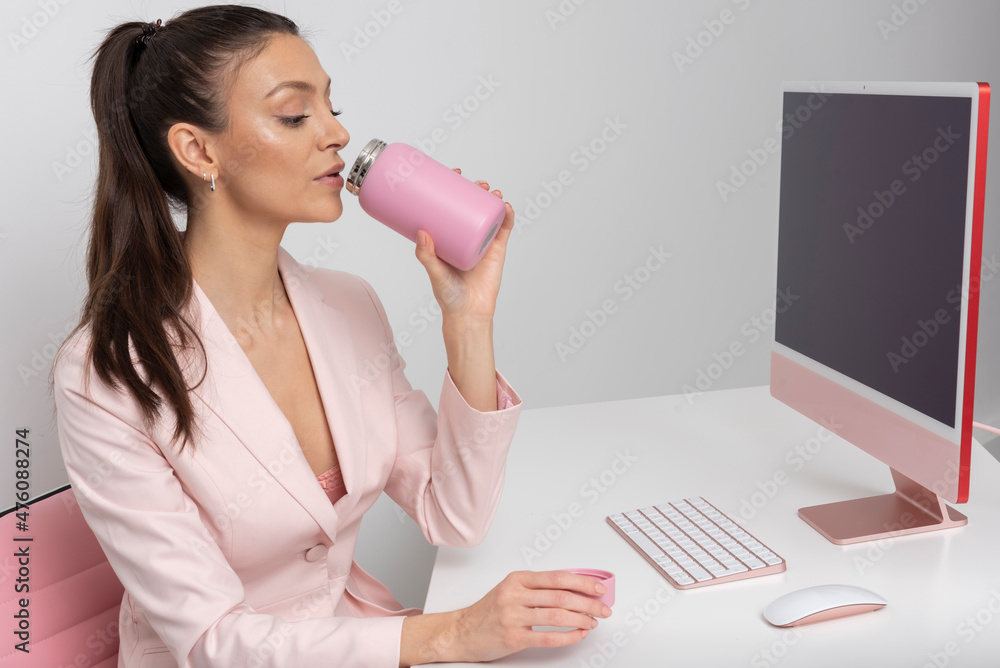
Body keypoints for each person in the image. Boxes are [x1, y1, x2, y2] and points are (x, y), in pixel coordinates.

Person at [50, 5, 611, 667]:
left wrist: (468, 319)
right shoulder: (104, 375)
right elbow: (210, 641)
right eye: (295, 115)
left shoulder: (349, 305)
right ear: (199, 150)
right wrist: (453, 635)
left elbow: (455, 514)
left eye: (331, 106)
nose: (338, 133)